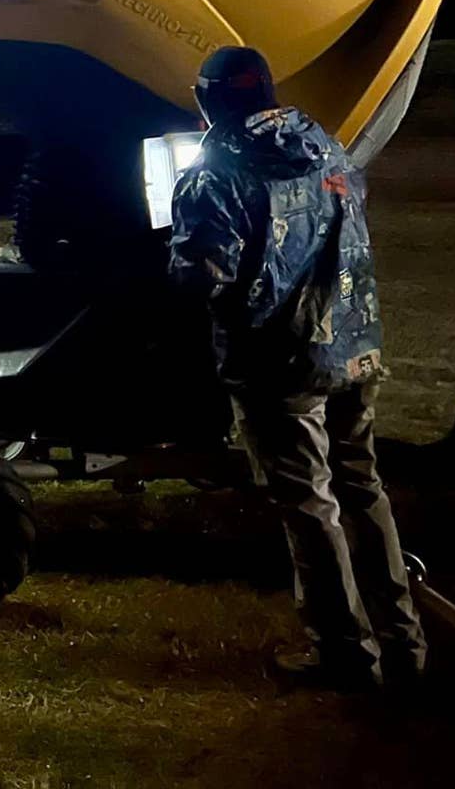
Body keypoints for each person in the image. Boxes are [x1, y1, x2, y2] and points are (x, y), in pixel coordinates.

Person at [167, 45, 426, 691]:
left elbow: (202, 275)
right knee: (363, 487)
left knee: (311, 504)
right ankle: (405, 641)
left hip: (281, 363)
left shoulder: (216, 172)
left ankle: (346, 653)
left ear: (207, 101)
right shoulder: (324, 145)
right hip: (354, 345)